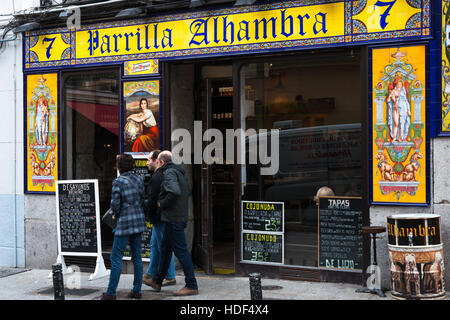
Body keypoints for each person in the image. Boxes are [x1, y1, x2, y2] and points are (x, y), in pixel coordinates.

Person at [144, 151, 199, 296]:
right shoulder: (180, 172)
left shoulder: (169, 172)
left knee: (181, 252)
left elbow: (174, 192)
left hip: (173, 219)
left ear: (161, 162)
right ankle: (157, 280)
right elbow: (185, 193)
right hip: (175, 218)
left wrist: (161, 203)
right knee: (165, 250)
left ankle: (191, 285)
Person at [95, 154, 147, 300]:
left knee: (115, 256)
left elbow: (115, 204)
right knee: (137, 256)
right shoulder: (138, 179)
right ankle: (137, 291)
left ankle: (111, 293)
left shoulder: (118, 181)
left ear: (119, 166)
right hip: (138, 221)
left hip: (124, 223)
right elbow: (143, 200)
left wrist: (114, 214)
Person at [143, 150, 177, 287]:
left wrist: (148, 213)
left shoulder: (158, 177)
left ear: (157, 160)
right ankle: (151, 273)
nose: (147, 162)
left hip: (160, 217)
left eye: (149, 159)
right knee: (155, 246)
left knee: (162, 247)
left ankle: (169, 276)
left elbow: (153, 200)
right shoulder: (164, 175)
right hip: (162, 217)